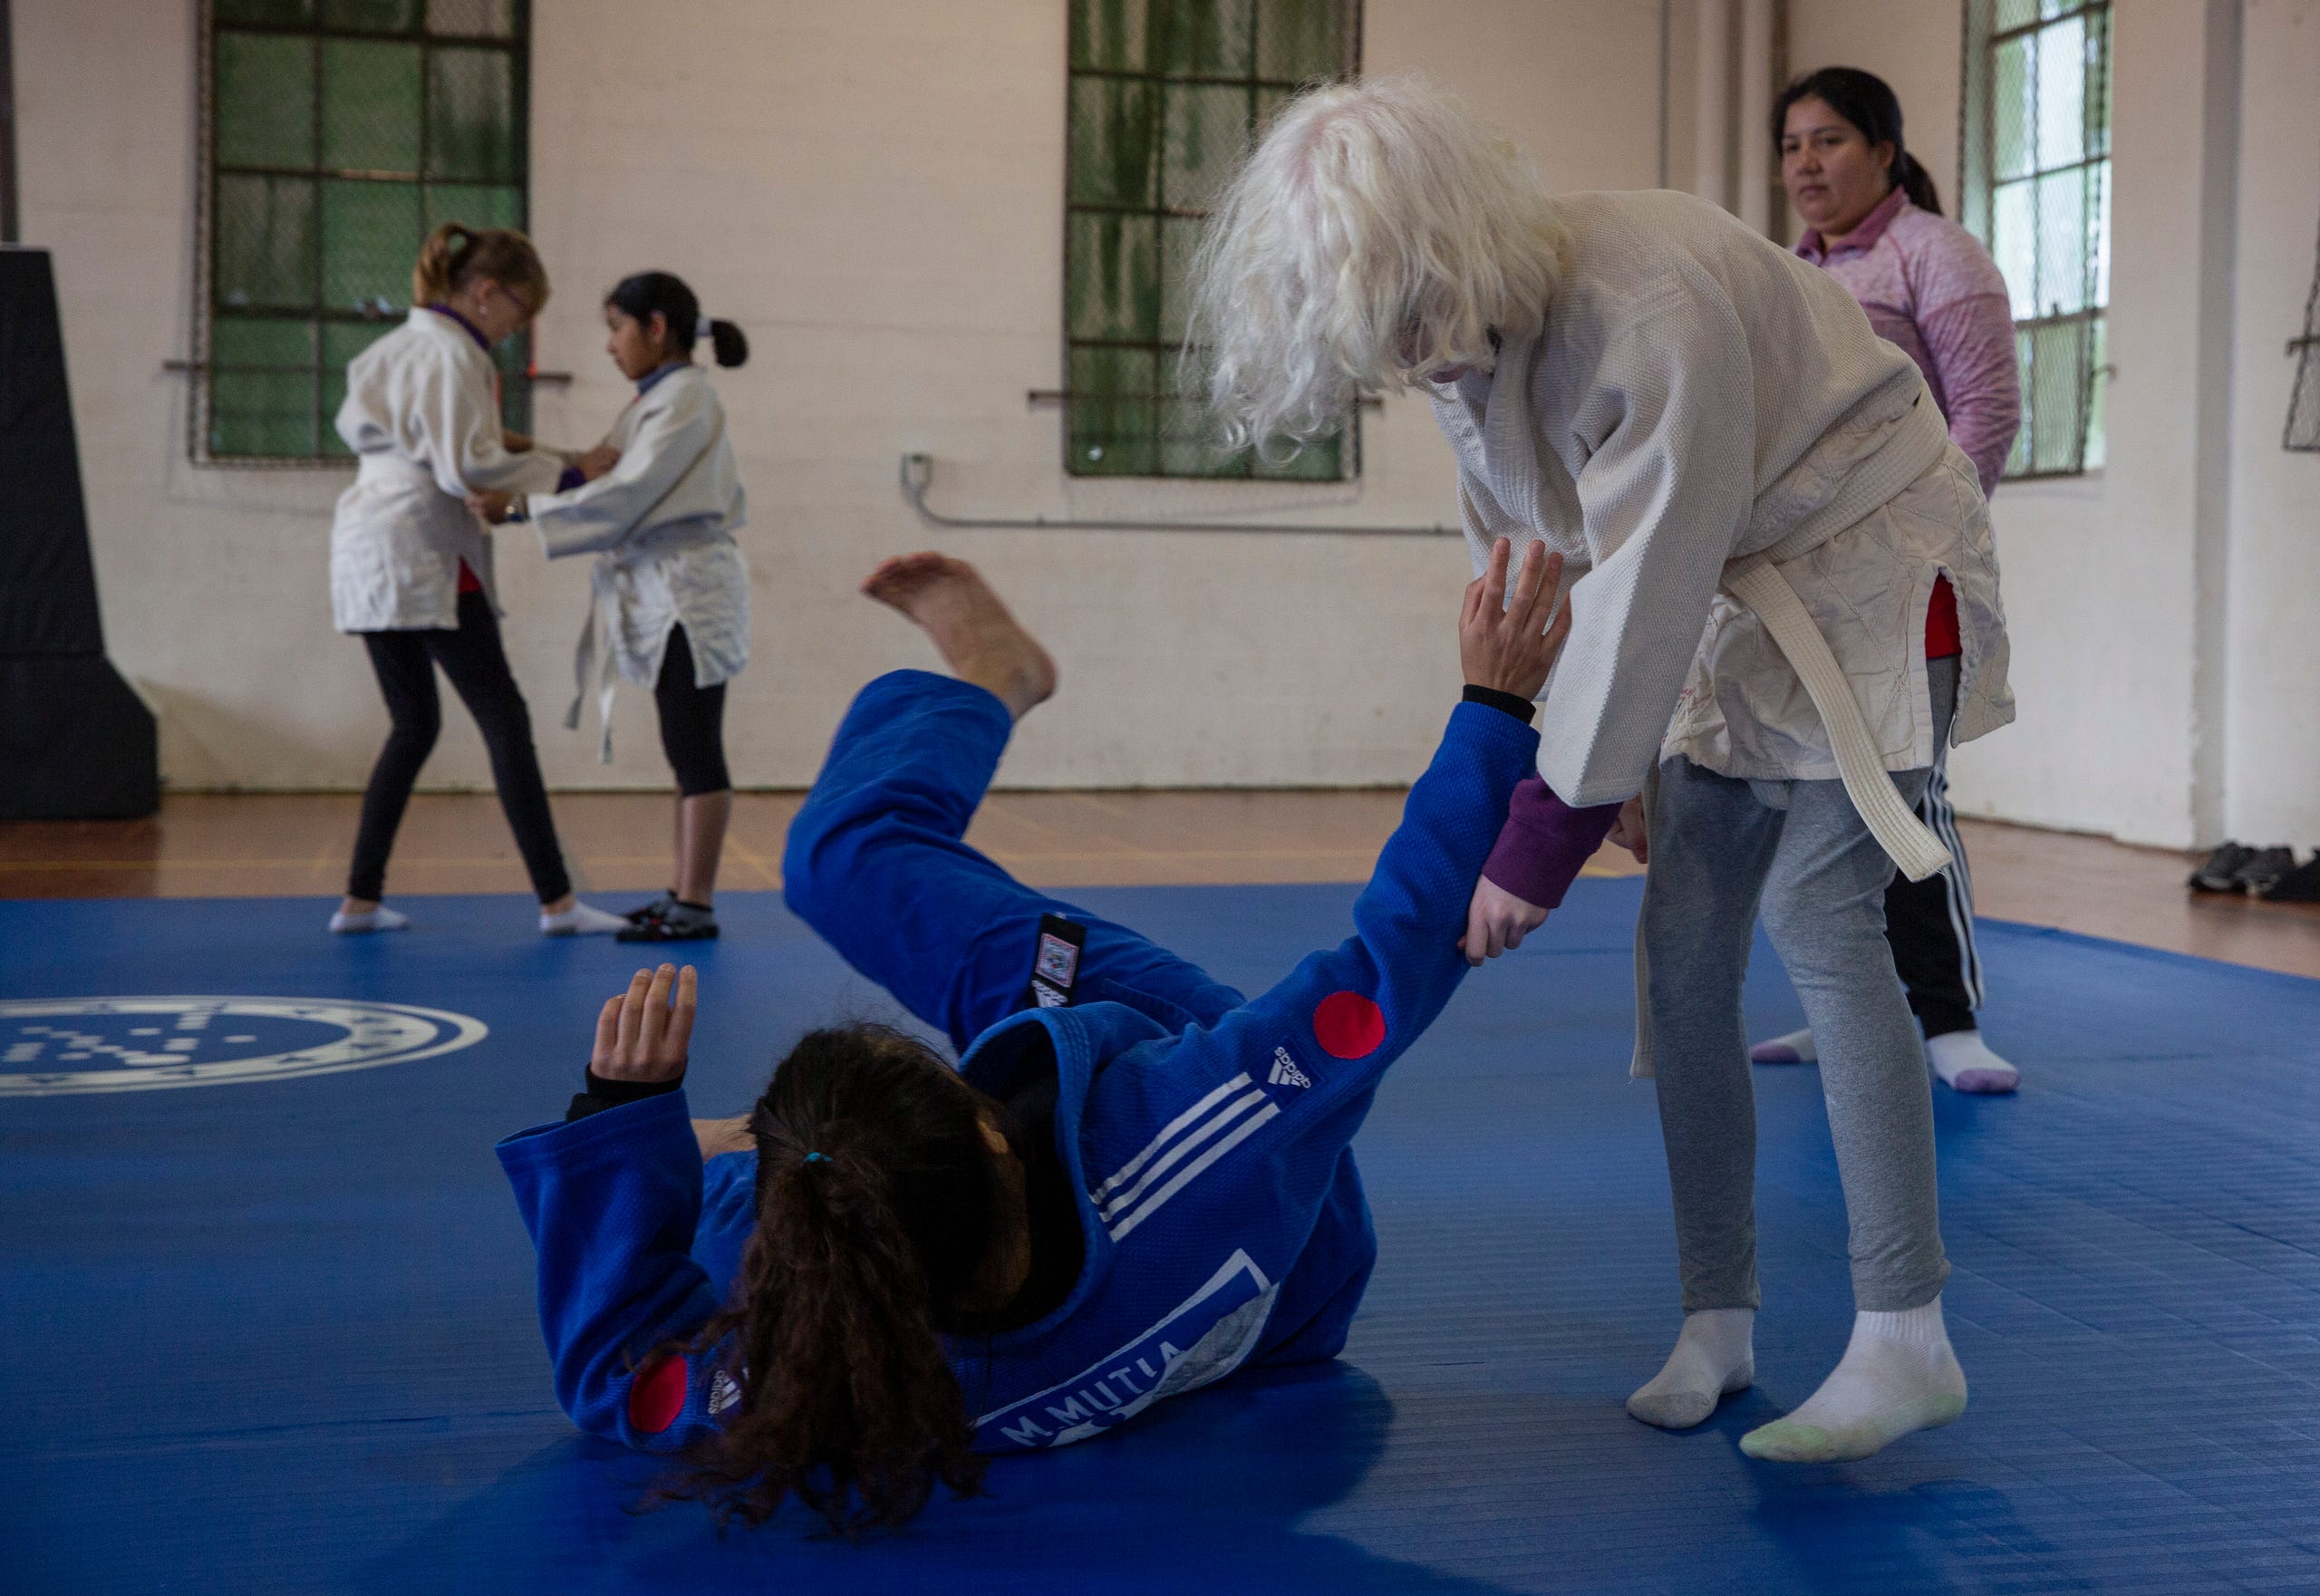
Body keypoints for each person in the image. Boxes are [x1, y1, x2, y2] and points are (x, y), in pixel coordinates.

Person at [1189, 79, 2013, 1463]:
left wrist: (1543, 832)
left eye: (1398, 319)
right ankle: (1719, 1316)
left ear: (1439, 245)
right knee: (1682, 953)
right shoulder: (1468, 333)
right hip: (1730, 584)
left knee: (1824, 919)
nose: (1405, 358)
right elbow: (1531, 555)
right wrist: (1570, 748)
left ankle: (1904, 1335)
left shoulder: (1639, 302)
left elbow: (1646, 577)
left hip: (1874, 561)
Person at [498, 542, 1569, 1533]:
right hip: (1269, 1221)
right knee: (842, 858)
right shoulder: (1203, 1125)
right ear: (994, 1129)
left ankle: (734, 1142)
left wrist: (619, 1138)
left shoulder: (841, 1353)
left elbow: (619, 1379)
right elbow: (1388, 968)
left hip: (1204, 1299)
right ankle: (996, 673)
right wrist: (1495, 705)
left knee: (778, 1178)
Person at [1752, 66, 2024, 1095]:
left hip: (1912, 580)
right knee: (1810, 799)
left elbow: (1984, 417)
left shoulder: (1937, 258)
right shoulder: (1782, 272)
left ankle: (1948, 1019)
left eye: (1826, 141)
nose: (1805, 164)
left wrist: (1923, 553)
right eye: (1790, 147)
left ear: (1883, 147)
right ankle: (1850, 1002)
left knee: (1905, 788)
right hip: (1804, 580)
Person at [327, 223, 628, 937]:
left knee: (414, 723)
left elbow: (451, 442)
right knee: (504, 720)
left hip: (368, 550)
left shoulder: (392, 348)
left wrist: (552, 454)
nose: (516, 332)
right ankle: (557, 902)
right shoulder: (456, 354)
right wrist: (573, 471)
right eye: (518, 315)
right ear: (487, 293)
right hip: (423, 550)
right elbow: (469, 465)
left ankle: (359, 900)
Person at [471, 271, 751, 943]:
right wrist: (524, 454)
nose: (609, 346)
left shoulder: (686, 400)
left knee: (694, 745)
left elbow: (623, 495)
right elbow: (605, 473)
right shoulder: (659, 399)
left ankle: (698, 902)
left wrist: (521, 508)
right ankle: (683, 893)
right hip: (663, 585)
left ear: (657, 327)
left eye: (617, 328)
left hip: (688, 590)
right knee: (681, 742)